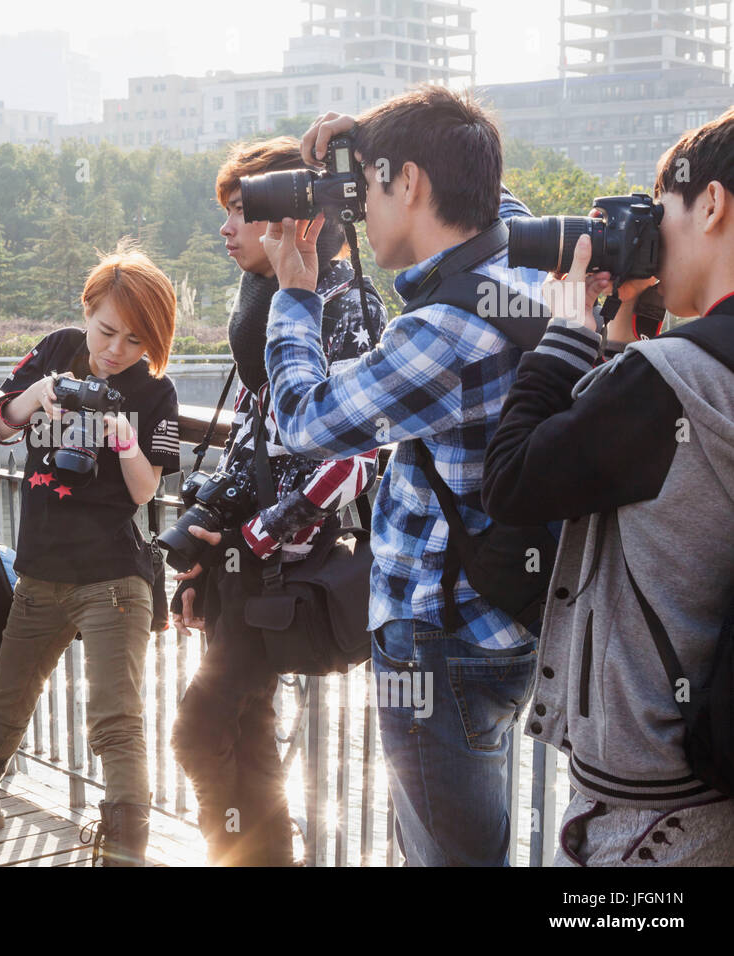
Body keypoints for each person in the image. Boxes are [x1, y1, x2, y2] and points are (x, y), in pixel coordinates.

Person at [260, 88, 546, 866]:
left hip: (435, 631)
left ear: (411, 183)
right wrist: (372, 140)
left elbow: (307, 422)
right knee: (468, 832)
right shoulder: (520, 260)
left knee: (447, 855)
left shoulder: (446, 333)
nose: (360, 209)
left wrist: (294, 295)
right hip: (507, 614)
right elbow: (488, 198)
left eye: (369, 187)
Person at [482, 106, 734, 866]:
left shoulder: (675, 382)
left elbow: (515, 479)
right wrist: (621, 328)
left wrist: (566, 327)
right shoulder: (679, 380)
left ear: (715, 205)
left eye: (665, 214)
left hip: (648, 810)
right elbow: (632, 455)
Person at [169, 137, 387, 866]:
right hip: (247, 557)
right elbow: (254, 441)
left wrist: (265, 529)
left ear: (301, 221)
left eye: (243, 211)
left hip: (282, 559)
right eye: (227, 212)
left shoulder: (343, 299)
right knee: (242, 729)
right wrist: (213, 528)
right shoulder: (259, 300)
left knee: (204, 729)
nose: (227, 229)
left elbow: (358, 448)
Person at [0, 243, 181, 866]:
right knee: (8, 695)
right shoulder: (56, 350)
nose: (115, 350)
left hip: (114, 578)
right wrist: (39, 395)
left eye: (135, 341)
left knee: (116, 718)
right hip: (39, 570)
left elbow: (144, 490)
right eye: (107, 330)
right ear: (86, 310)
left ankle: (125, 847)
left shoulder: (155, 390)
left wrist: (125, 440)